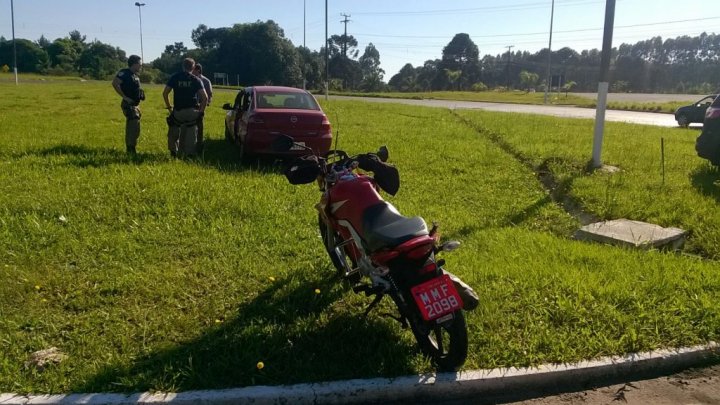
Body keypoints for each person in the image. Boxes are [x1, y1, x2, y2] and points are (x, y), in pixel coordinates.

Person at [163, 58, 208, 158]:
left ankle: (173, 151)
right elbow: (205, 98)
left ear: (183, 66)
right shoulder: (196, 80)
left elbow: (165, 93)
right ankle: (190, 154)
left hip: (178, 111)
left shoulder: (175, 77)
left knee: (173, 131)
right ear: (193, 67)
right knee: (191, 132)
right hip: (192, 111)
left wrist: (170, 107)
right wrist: (200, 112)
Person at [112, 55, 145, 154]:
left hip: (136, 104)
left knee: (136, 127)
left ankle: (132, 147)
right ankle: (130, 149)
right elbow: (115, 83)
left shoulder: (135, 75)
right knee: (132, 126)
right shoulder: (125, 73)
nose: (140, 66)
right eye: (139, 64)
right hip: (129, 104)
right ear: (134, 64)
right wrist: (125, 97)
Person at [192, 63, 213, 154]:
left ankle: (199, 145)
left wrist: (205, 104)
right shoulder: (191, 79)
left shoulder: (206, 81)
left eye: (193, 69)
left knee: (199, 126)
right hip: (192, 105)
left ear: (198, 70)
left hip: (200, 106)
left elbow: (210, 95)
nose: (192, 71)